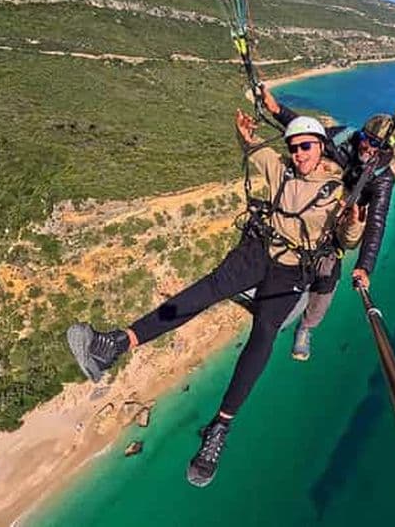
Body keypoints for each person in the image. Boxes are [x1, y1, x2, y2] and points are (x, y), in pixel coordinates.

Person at [66, 111, 363, 487]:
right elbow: (254, 150)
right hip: (258, 250)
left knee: (265, 334)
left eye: (305, 146)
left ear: (321, 148)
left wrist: (353, 221)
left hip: (291, 270)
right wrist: (243, 132)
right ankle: (113, 344)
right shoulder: (282, 170)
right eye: (293, 147)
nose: (299, 153)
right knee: (204, 291)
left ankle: (219, 429)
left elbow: (348, 240)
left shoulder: (337, 192)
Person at [259, 85, 395, 362]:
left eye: (375, 144)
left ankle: (306, 327)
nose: (367, 146)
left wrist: (364, 266)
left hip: (338, 223)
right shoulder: (343, 137)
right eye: (365, 138)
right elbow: (309, 134)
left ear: (386, 150)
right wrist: (277, 111)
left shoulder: (383, 178)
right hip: (309, 205)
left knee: (327, 277)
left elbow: (377, 222)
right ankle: (261, 285)